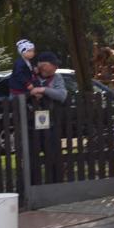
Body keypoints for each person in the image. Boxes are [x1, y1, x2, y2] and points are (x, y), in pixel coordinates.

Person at [30, 52, 68, 183]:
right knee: (32, 159)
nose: (56, 67)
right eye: (54, 64)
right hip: (31, 126)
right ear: (44, 65)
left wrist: (43, 90)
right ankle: (33, 186)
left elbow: (62, 95)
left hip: (51, 124)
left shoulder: (57, 78)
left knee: (53, 157)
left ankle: (55, 185)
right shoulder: (30, 76)